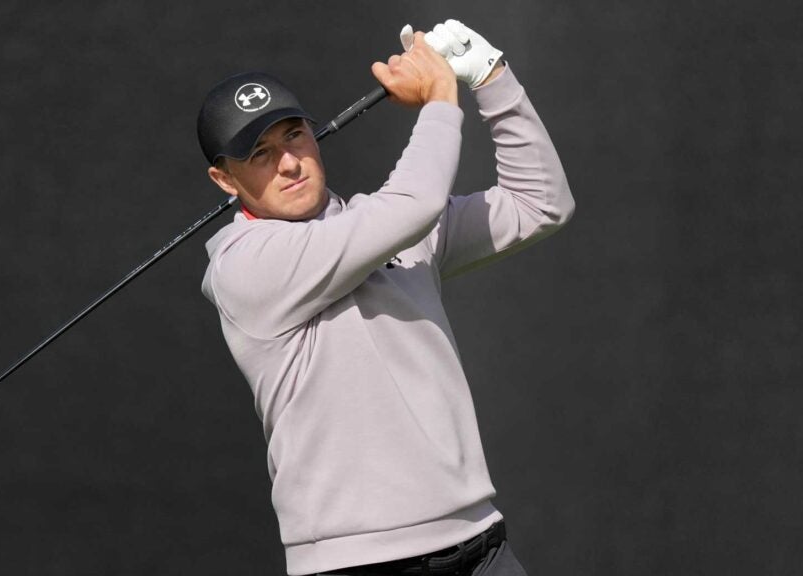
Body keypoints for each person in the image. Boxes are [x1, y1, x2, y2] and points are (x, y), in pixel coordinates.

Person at [196, 19, 574, 576]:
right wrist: (441, 101)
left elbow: (539, 203)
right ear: (224, 181)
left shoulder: (389, 226)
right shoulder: (243, 264)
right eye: (258, 154)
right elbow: (412, 204)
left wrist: (491, 76)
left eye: (294, 136)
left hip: (481, 547)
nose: (289, 163)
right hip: (360, 565)